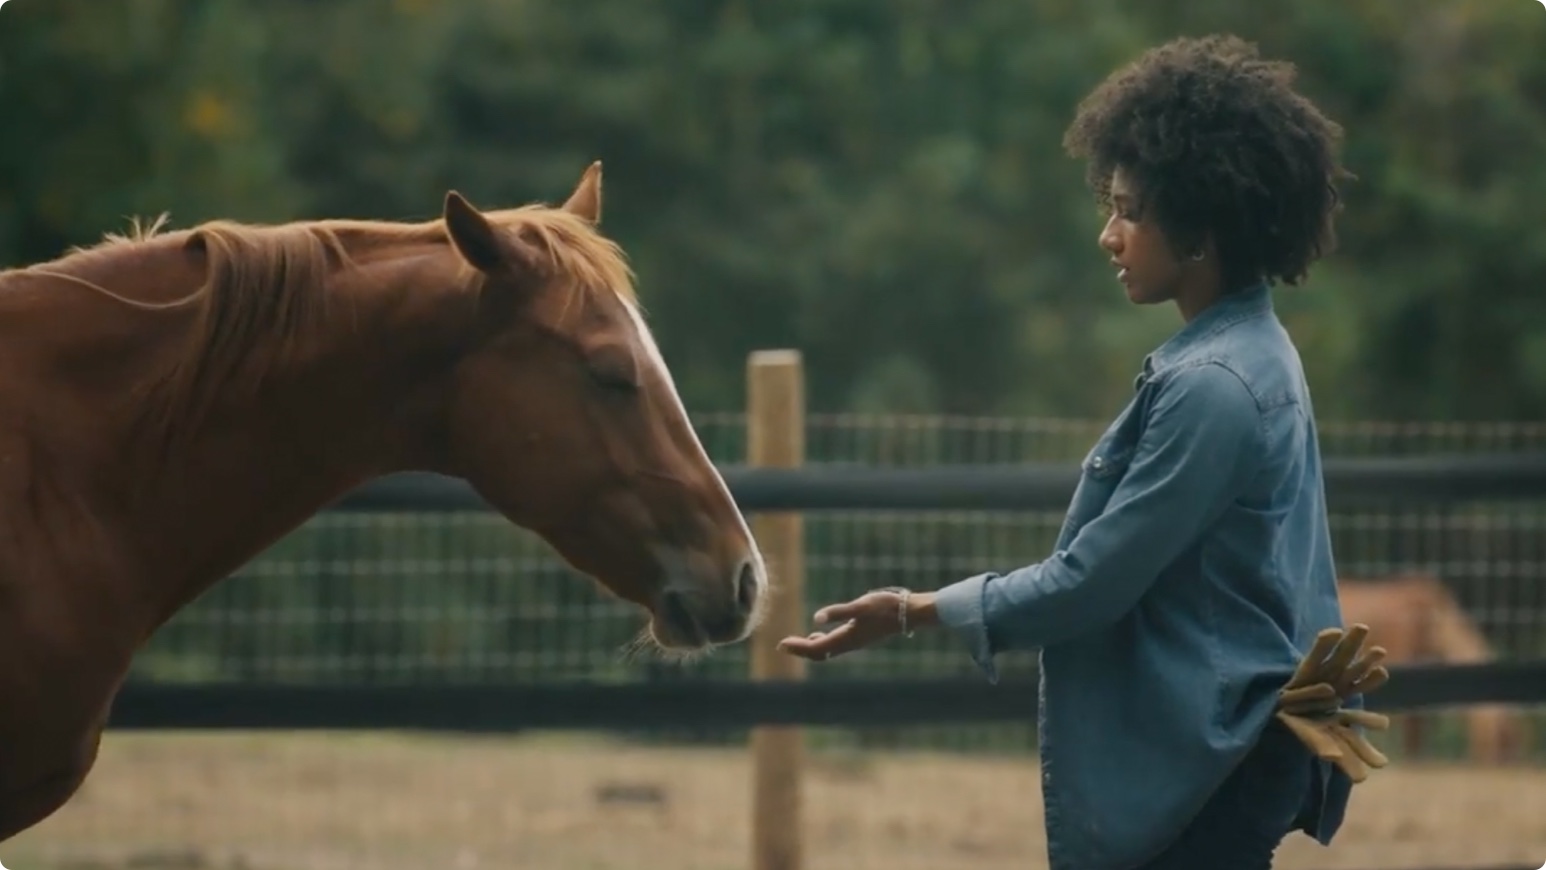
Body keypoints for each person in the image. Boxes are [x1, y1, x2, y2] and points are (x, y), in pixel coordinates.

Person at [778, 33, 1367, 870]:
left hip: (1208, 767)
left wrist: (912, 610)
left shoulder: (1215, 387)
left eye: (1129, 211)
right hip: (1232, 750)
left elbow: (1091, 584)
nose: (1107, 236)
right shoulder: (1256, 356)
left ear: (1199, 228)